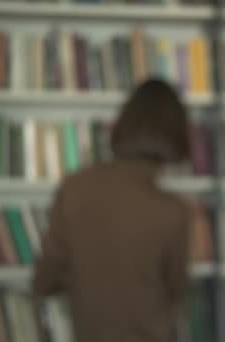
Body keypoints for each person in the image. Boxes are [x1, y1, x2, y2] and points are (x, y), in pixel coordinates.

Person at [33, 79, 192, 342]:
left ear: (122, 126)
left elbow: (44, 280)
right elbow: (176, 293)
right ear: (176, 135)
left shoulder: (75, 187)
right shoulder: (173, 211)